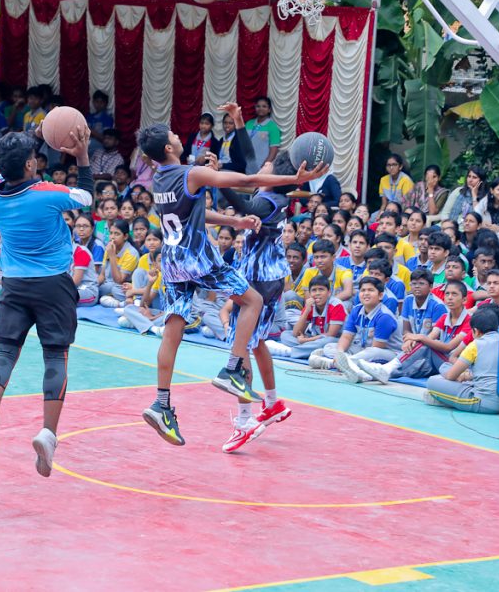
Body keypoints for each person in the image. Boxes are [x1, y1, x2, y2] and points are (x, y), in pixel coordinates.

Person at [135, 113, 326, 446]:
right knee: (252, 301)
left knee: (173, 327)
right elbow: (245, 179)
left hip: (173, 261)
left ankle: (161, 403)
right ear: (168, 147)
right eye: (174, 134)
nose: (179, 135)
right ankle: (234, 369)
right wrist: (295, 178)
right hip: (197, 257)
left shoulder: (160, 179)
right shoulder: (191, 173)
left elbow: (194, 214)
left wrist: (234, 222)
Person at [0, 125, 94, 478]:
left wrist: (34, 135)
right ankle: (47, 434)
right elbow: (86, 197)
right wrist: (82, 155)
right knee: (55, 357)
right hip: (54, 284)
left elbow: (8, 163)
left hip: (14, 284)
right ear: (30, 164)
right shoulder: (46, 193)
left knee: (4, 352)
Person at [216, 151, 301, 452]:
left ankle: (244, 420)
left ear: (274, 176)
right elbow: (249, 160)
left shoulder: (268, 202)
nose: (261, 166)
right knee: (256, 342)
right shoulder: (275, 197)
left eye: (267, 165)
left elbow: (244, 206)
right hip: (270, 278)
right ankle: (273, 402)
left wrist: (217, 180)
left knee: (240, 344)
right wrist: (239, 127)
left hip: (259, 280)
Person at [359, 279, 472, 382]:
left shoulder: (469, 321)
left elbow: (448, 347)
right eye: (447, 294)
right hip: (436, 360)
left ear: (464, 299)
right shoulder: (444, 317)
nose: (450, 297)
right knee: (412, 369)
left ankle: (387, 367)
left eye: (454, 294)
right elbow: (431, 337)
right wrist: (412, 340)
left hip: (454, 363)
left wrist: (419, 337)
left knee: (425, 344)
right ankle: (367, 375)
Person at [314, 276, 403, 382]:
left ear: (380, 296)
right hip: (362, 348)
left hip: (386, 353)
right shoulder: (356, 310)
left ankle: (334, 363)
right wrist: (340, 353)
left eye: (370, 290)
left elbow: (377, 347)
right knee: (330, 347)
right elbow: (346, 337)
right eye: (363, 290)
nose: (366, 293)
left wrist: (345, 357)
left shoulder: (384, 316)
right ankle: (346, 363)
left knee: (372, 353)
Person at [423, 307, 499, 413]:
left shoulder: (475, 345)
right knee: (448, 368)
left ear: (475, 331)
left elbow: (451, 376)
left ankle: (444, 400)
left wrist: (460, 376)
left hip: (482, 401)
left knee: (432, 381)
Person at [277, 274, 345, 359]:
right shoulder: (310, 305)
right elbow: (296, 333)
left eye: (321, 289)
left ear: (329, 293)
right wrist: (307, 311)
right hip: (315, 338)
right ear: (309, 294)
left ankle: (291, 352)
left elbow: (331, 334)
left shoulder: (336, 305)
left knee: (327, 342)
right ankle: (309, 349)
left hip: (336, 340)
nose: (317, 293)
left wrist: (306, 340)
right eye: (314, 290)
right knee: (285, 334)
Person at [244, 96, 281, 173]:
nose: (261, 108)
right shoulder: (248, 124)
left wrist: (264, 167)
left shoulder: (273, 127)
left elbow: (273, 151)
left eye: (264, 106)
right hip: (245, 165)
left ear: (269, 109)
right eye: (258, 106)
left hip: (261, 167)